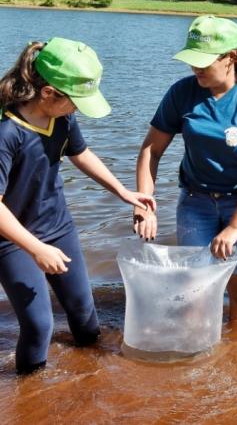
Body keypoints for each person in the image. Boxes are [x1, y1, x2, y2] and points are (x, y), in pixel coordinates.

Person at [0, 38, 154, 374]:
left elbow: (80, 153)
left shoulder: (62, 118)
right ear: (48, 93)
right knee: (40, 326)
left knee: (84, 314)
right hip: (12, 239)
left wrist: (122, 192)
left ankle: (90, 381)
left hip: (58, 227)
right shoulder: (7, 131)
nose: (79, 109)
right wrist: (36, 248)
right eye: (76, 101)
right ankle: (30, 397)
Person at [134, 15, 237, 322]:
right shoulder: (181, 93)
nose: (195, 68)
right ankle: (199, 358)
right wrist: (145, 203)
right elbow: (151, 150)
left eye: (204, 61)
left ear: (231, 58)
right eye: (191, 60)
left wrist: (234, 227)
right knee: (194, 288)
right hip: (195, 202)